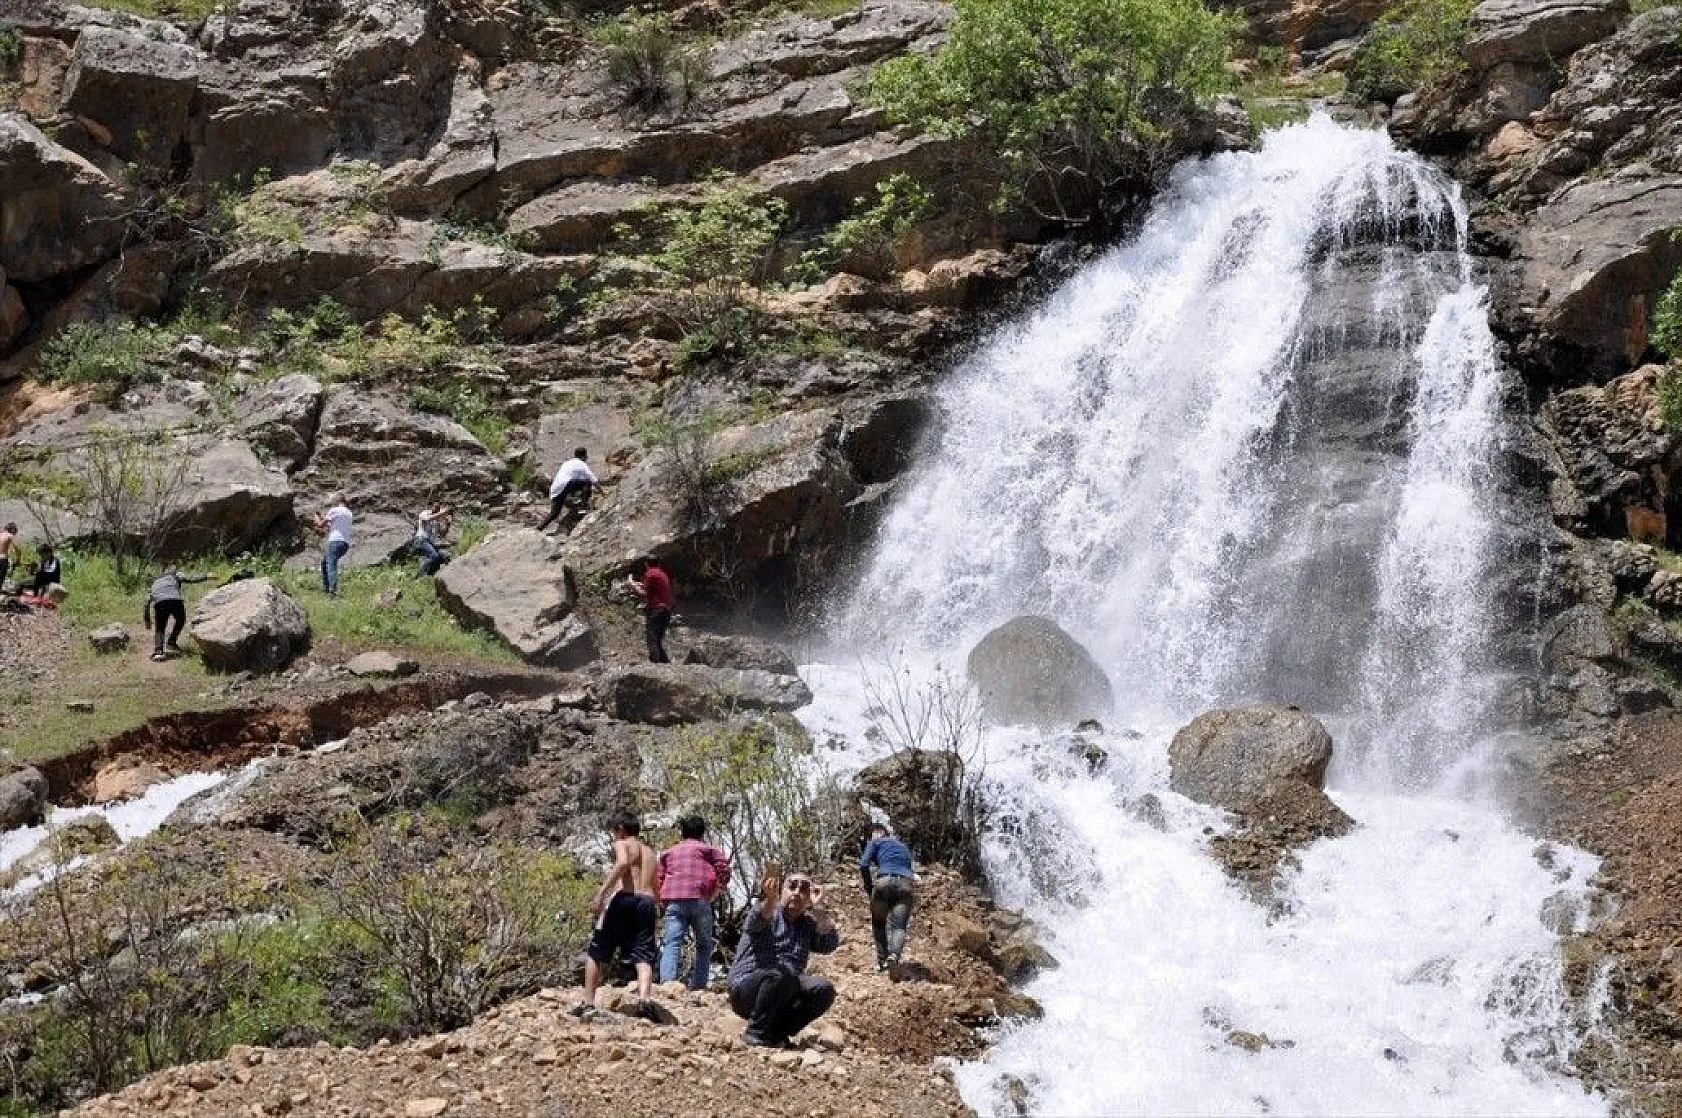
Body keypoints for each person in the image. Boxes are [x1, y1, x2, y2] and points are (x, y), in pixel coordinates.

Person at [727, 865, 839, 1047]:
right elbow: (756, 920)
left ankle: (777, 1033)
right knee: (780, 973)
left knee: (823, 988)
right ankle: (755, 1032)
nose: (796, 892)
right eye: (792, 886)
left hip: (785, 989)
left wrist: (818, 908)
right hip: (747, 990)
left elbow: (829, 944)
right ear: (781, 890)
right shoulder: (768, 912)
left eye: (804, 890)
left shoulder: (808, 925)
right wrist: (770, 899)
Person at [578, 813, 659, 1016]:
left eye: (614, 831)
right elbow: (656, 884)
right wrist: (658, 902)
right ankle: (644, 1000)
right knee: (643, 954)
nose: (613, 836)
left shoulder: (622, 844)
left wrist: (601, 893)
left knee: (597, 951)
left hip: (625, 898)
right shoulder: (650, 851)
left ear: (621, 828)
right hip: (647, 901)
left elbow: (623, 863)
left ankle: (588, 1003)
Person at [657, 814, 732, 990]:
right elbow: (724, 869)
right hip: (700, 899)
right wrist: (718, 889)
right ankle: (699, 986)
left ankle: (668, 983)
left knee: (672, 942)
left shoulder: (669, 852)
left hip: (674, 900)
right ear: (702, 832)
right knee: (704, 945)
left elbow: (659, 877)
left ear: (683, 832)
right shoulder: (709, 850)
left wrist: (661, 898)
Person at [859, 824, 917, 972]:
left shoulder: (875, 842)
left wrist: (869, 887)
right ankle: (894, 956)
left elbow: (863, 865)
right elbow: (911, 869)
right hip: (905, 884)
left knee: (878, 923)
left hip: (883, 882)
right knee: (899, 926)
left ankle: (882, 961)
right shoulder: (903, 846)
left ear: (876, 834)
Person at [144, 566, 210, 661]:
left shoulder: (155, 580)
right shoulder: (175, 574)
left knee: (160, 628)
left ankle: (158, 652)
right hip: (175, 600)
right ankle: (171, 642)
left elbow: (147, 600)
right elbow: (191, 578)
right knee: (181, 620)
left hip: (160, 602)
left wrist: (147, 619)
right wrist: (206, 576)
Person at [626, 556, 673, 663]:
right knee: (657, 640)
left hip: (656, 610)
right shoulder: (661, 574)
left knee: (652, 639)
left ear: (646, 564)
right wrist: (638, 584)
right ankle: (666, 664)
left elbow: (643, 592)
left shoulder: (650, 573)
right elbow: (649, 588)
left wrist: (631, 584)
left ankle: (654, 665)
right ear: (659, 564)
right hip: (665, 611)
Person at [539, 448, 597, 532]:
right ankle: (583, 507)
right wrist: (603, 493)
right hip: (566, 485)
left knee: (555, 513)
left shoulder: (566, 463)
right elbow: (593, 479)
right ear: (584, 456)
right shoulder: (581, 464)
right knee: (587, 483)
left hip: (555, 489)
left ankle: (540, 527)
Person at [317, 494, 353, 598]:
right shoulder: (348, 513)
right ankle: (328, 589)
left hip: (335, 541)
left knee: (330, 564)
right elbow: (332, 526)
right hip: (344, 543)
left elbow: (320, 525)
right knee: (325, 563)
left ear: (336, 500)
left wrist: (317, 517)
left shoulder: (334, 510)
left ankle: (332, 591)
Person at [412, 504, 451, 577]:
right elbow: (427, 519)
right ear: (431, 507)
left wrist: (448, 524)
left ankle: (430, 575)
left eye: (438, 508)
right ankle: (419, 576)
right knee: (434, 556)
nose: (436, 509)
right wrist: (442, 513)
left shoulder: (436, 522)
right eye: (435, 506)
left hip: (430, 543)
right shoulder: (424, 513)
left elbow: (442, 534)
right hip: (421, 540)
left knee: (443, 556)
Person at [0, 522, 16, 590]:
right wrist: (18, 558)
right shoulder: (10, 535)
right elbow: (17, 548)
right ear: (12, 529)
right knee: (1, 578)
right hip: (3, 559)